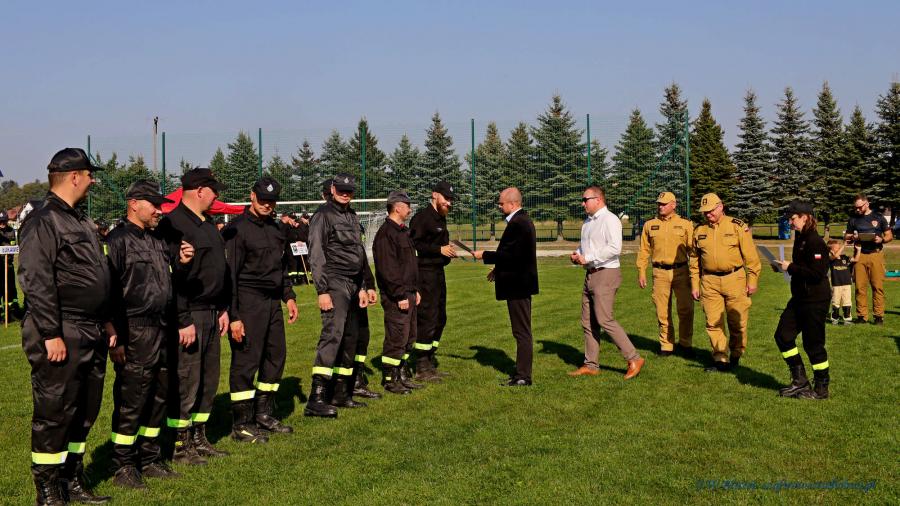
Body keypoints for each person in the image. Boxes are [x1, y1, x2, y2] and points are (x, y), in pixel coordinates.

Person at [19, 147, 114, 504]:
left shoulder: (80, 221)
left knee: (84, 411)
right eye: (90, 175)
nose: (92, 181)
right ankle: (48, 489)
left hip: (91, 328)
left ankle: (72, 478)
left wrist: (106, 322)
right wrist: (51, 333)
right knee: (55, 411)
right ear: (74, 176)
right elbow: (36, 278)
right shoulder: (43, 221)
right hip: (63, 328)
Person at [106, 180, 188, 488]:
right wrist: (116, 336)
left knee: (159, 395)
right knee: (133, 399)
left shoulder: (157, 240)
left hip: (162, 327)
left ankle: (150, 457)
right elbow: (109, 290)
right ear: (134, 204)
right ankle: (123, 465)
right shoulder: (118, 240)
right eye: (154, 205)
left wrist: (181, 263)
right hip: (134, 330)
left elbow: (165, 283)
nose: (159, 210)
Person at [159, 167, 231, 464]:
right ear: (200, 190)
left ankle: (200, 438)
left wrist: (223, 308)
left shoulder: (208, 223)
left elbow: (217, 269)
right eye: (214, 191)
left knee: (207, 380)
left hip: (212, 313)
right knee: (186, 380)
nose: (216, 196)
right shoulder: (172, 224)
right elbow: (170, 278)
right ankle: (179, 444)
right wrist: (183, 319)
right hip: (190, 315)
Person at [223, 177, 299, 443]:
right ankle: (242, 424)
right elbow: (229, 276)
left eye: (272, 201)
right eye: (263, 199)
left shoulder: (276, 229)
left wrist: (288, 296)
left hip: (273, 302)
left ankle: (263, 414)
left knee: (276, 356)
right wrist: (234, 316)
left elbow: (281, 267)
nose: (268, 205)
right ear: (252, 196)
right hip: (248, 300)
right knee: (246, 361)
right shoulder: (237, 229)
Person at [305, 174, 373, 417]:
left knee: (351, 338)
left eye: (349, 190)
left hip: (354, 284)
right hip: (334, 281)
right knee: (332, 336)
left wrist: (363, 285)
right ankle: (316, 398)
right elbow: (316, 253)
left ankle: (341, 393)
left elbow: (358, 253)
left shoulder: (352, 216)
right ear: (332, 189)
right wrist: (322, 290)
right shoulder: (323, 215)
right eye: (341, 189)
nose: (345, 194)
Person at [569, 186, 645, 380]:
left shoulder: (610, 219)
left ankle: (634, 358)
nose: (583, 203)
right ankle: (591, 365)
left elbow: (614, 248)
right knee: (588, 322)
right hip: (590, 274)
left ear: (598, 199)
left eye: (585, 199)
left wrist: (588, 257)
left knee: (604, 319)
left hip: (606, 273)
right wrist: (578, 254)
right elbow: (586, 247)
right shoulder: (588, 222)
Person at [473, 188, 538, 386]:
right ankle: (521, 374)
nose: (499, 207)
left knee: (521, 332)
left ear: (512, 203)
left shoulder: (519, 223)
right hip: (518, 283)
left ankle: (523, 376)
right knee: (520, 331)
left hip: (518, 285)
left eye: (501, 203)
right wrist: (497, 269)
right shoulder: (520, 221)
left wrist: (485, 255)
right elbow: (514, 255)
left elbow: (513, 256)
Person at [690, 193, 761, 373]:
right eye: (705, 212)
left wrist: (752, 280)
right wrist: (695, 284)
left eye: (711, 210)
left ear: (721, 206)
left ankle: (736, 354)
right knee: (713, 322)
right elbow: (694, 260)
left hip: (735, 279)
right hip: (709, 281)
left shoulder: (737, 226)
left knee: (737, 322)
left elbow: (751, 257)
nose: (708, 214)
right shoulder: (699, 230)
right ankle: (720, 358)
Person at [773, 201, 832, 399]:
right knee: (783, 336)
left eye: (793, 218)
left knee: (813, 344)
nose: (790, 222)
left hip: (815, 300)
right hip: (799, 298)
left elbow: (817, 274)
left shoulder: (815, 242)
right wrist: (783, 267)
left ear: (805, 217)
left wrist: (790, 267)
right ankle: (800, 381)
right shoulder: (801, 238)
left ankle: (821, 388)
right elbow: (801, 268)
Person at [635, 191, 696, 357]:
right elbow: (644, 250)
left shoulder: (685, 224)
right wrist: (641, 271)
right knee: (662, 311)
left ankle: (685, 343)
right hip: (659, 273)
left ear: (673, 205)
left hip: (681, 272)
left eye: (663, 204)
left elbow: (693, 251)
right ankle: (666, 345)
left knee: (686, 309)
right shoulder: (650, 225)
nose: (660, 206)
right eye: (659, 204)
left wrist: (696, 275)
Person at [373, 191, 422, 394]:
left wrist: (414, 290)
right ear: (397, 207)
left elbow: (409, 265)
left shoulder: (403, 232)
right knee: (396, 337)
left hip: (409, 292)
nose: (410, 210)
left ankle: (402, 374)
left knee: (409, 336)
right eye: (407, 206)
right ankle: (390, 379)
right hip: (396, 296)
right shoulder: (386, 234)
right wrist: (400, 295)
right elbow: (388, 269)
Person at [409, 181, 456, 381]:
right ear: (435, 195)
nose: (449, 203)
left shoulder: (440, 218)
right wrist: (439, 249)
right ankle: (421, 365)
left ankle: (429, 360)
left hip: (438, 274)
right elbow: (413, 245)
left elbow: (437, 246)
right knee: (427, 318)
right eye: (446, 198)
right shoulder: (422, 218)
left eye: (451, 200)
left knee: (440, 318)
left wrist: (447, 251)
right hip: (424, 275)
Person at [844, 194, 892, 325]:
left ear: (867, 204)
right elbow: (846, 237)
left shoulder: (879, 217)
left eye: (860, 207)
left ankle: (878, 317)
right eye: (856, 207)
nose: (857, 209)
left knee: (877, 287)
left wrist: (881, 239)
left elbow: (889, 235)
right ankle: (861, 316)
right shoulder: (853, 219)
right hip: (859, 255)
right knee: (860, 287)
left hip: (876, 254)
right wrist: (853, 237)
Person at [827, 239, 860, 324]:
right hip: (836, 285)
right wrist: (844, 245)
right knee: (836, 302)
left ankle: (847, 319)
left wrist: (859, 250)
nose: (839, 249)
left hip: (847, 284)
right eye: (837, 248)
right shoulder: (831, 259)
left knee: (847, 302)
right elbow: (835, 256)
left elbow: (856, 259)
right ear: (831, 250)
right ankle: (835, 319)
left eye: (839, 247)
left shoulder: (844, 257)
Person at [0, 210, 23, 318]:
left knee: (11, 289)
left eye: (4, 221)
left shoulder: (11, 231)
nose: (2, 224)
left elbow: (14, 246)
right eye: (0, 221)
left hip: (8, 265)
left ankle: (12, 311)